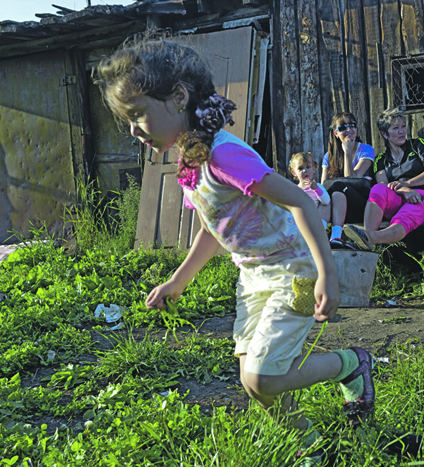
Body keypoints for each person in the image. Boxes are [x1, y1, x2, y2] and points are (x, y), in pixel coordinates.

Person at [93, 38, 375, 463]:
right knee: (253, 378)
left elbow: (300, 202)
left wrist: (326, 272)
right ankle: (310, 448)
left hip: (292, 267)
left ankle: (350, 364)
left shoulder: (225, 154)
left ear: (178, 97)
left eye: (137, 115)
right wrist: (178, 280)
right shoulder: (191, 160)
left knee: (263, 376)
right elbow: (212, 227)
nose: (133, 130)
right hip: (254, 275)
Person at [343, 108, 424, 250]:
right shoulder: (381, 159)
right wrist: (405, 190)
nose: (401, 131)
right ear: (384, 133)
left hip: (423, 196)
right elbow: (383, 184)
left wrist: (408, 184)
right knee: (377, 189)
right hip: (398, 197)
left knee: (405, 216)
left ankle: (369, 239)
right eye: (395, 128)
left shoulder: (417, 145)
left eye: (403, 126)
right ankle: (367, 237)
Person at [320, 112, 375, 247]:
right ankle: (319, 235)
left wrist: (347, 153)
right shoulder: (329, 156)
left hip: (360, 206)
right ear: (336, 133)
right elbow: (323, 186)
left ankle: (336, 237)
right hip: (336, 209)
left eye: (352, 126)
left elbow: (352, 179)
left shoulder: (366, 150)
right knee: (324, 193)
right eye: (343, 127)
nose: (349, 130)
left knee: (339, 187)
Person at [290, 151, 331, 227]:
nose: (305, 170)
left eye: (308, 167)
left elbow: (326, 201)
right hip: (298, 222)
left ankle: (321, 231)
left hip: (313, 221)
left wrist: (316, 189)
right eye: (300, 168)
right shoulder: (294, 189)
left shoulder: (318, 186)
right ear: (294, 173)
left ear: (314, 169)